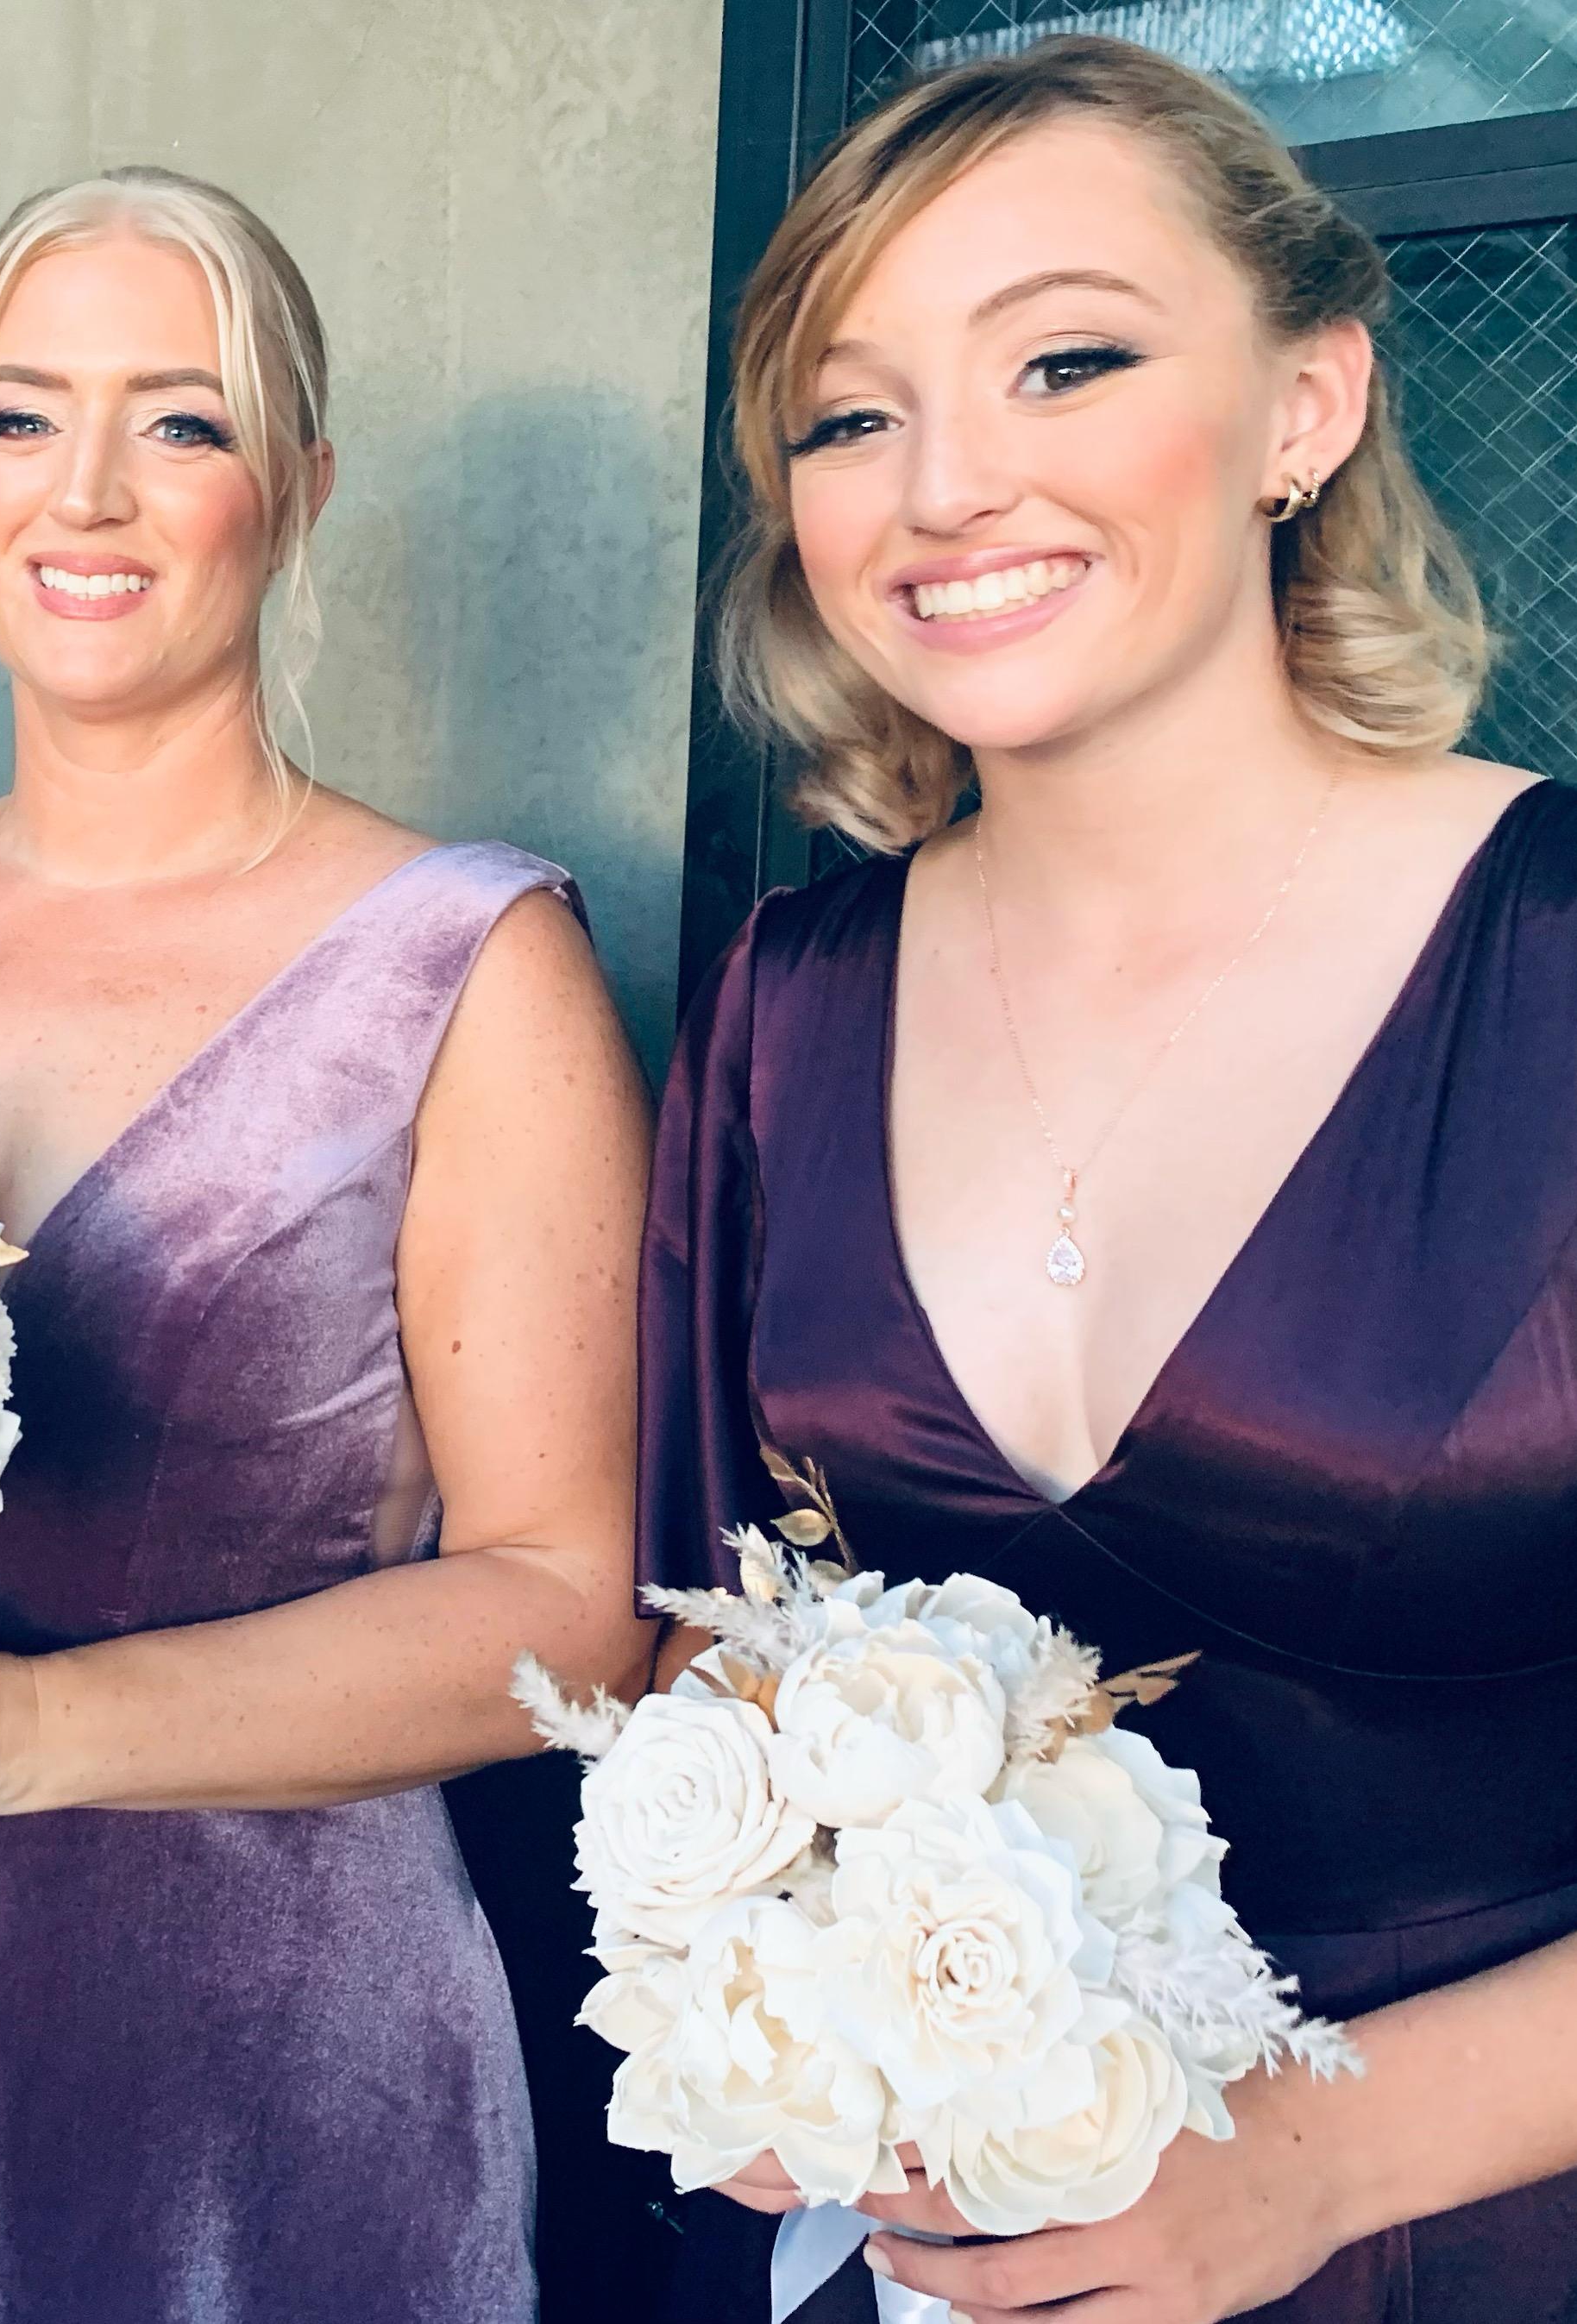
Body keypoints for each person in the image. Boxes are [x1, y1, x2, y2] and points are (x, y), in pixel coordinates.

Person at [0, 166, 650, 2321]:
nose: (85, 493)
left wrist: (7, 1736)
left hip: (236, 2075)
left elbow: (573, 1609)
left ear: (299, 488)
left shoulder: (474, 964)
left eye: (180, 421)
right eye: (21, 416)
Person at [643, 35, 1577, 2324]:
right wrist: (744, 1996)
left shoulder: (1554, 956)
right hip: (955, 2264)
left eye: (1064, 361)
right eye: (848, 418)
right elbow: (719, 1647)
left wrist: (1317, 2158)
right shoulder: (783, 1007)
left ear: (1304, 405)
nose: (945, 485)